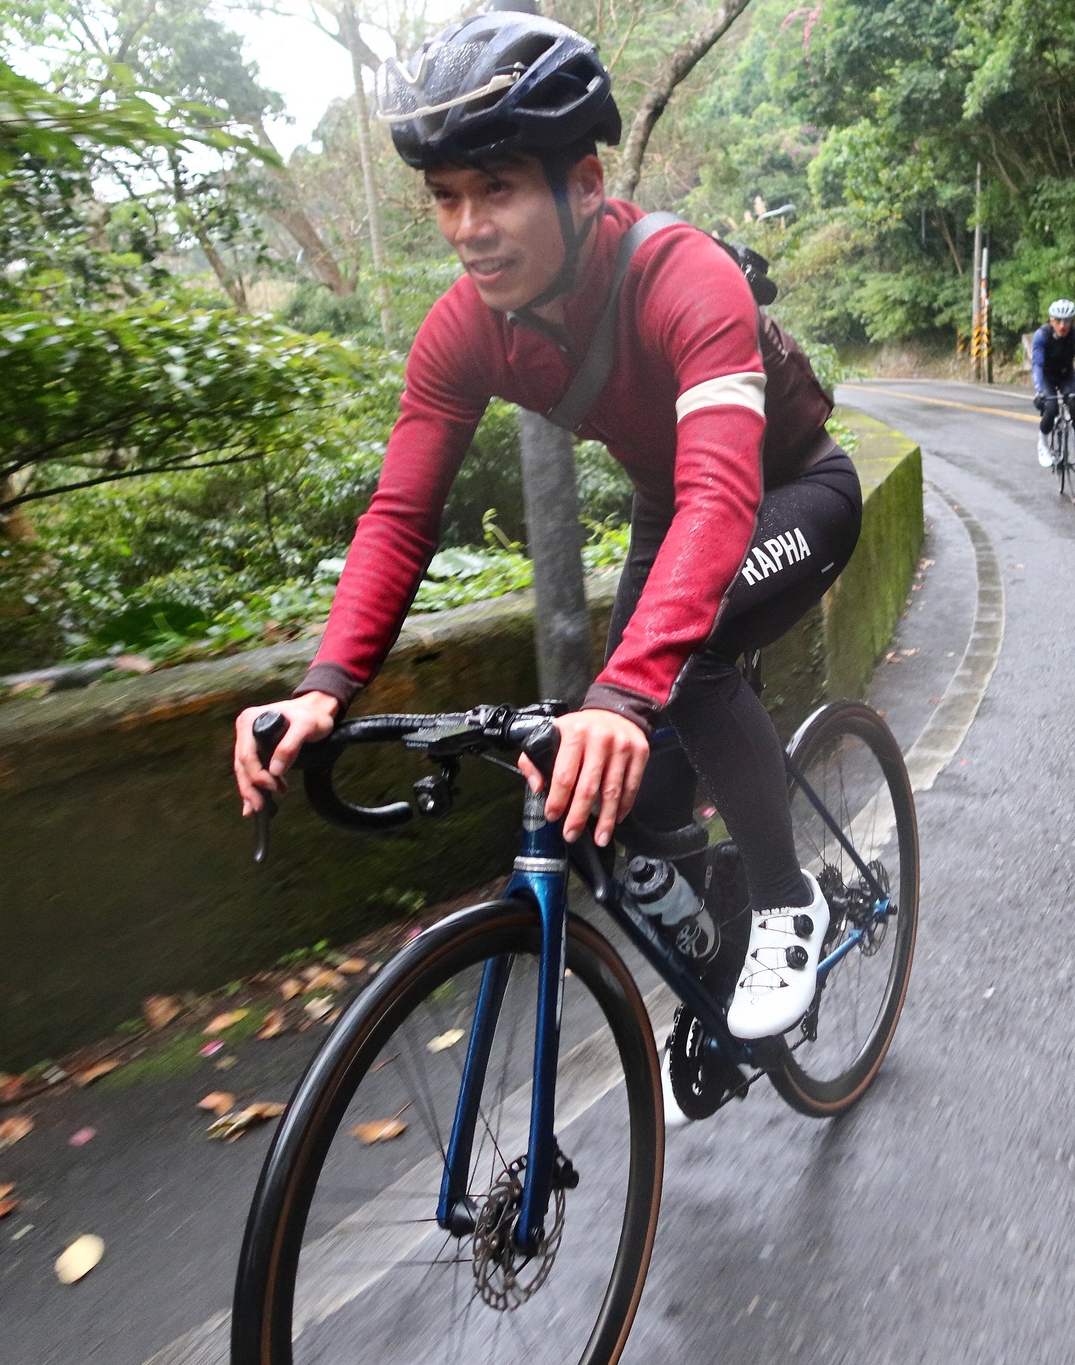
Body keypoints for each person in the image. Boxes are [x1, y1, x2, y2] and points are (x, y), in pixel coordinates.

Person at [229, 13, 857, 1044]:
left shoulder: (681, 275)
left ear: (585, 183)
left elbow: (719, 493)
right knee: (621, 780)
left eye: (498, 187)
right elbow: (401, 516)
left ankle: (788, 901)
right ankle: (714, 919)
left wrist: (624, 693)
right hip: (669, 505)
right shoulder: (463, 331)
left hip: (791, 489)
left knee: (676, 665)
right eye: (446, 196)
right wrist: (322, 686)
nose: (468, 225)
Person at [1030, 299, 1075, 469]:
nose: (1063, 326)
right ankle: (1043, 445)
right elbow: (1037, 365)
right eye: (1058, 321)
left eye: (1067, 321)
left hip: (1066, 374)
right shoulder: (1041, 335)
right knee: (1051, 408)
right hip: (1047, 376)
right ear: (1051, 320)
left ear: (1073, 321)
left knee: (1074, 406)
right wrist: (1038, 391)